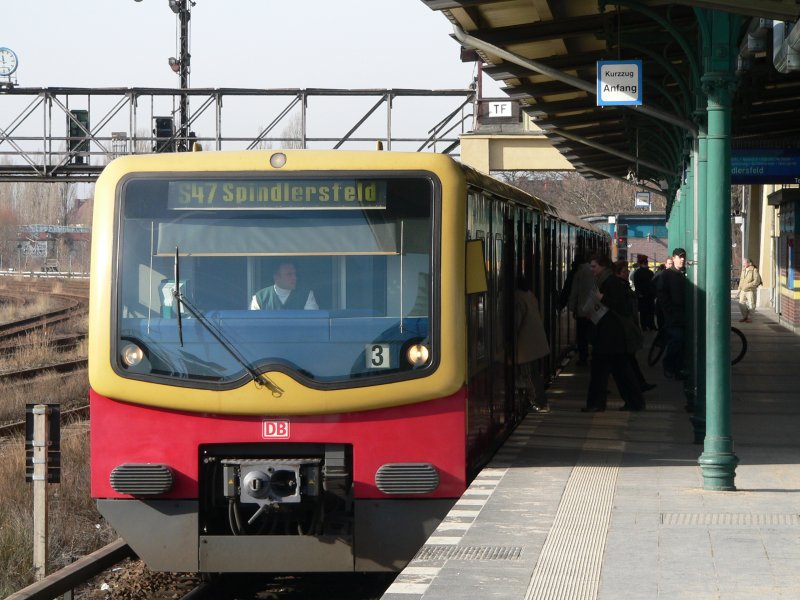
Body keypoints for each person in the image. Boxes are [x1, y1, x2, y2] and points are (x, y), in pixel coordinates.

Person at [582, 253, 644, 412]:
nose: (592, 269)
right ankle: (634, 402)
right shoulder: (605, 281)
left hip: (610, 335)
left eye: (594, 266)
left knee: (603, 372)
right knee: (620, 371)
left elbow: (622, 307)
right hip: (610, 336)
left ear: (603, 266)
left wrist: (602, 298)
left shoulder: (611, 283)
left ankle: (597, 404)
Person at [613, 260, 656, 394]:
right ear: (618, 273)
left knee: (628, 360)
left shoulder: (623, 285)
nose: (628, 273)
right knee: (625, 361)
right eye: (625, 271)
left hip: (626, 329)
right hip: (624, 330)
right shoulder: (620, 287)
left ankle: (639, 385)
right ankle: (636, 390)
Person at [514, 280, 551, 412]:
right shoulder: (528, 294)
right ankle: (535, 401)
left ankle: (540, 403)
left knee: (529, 375)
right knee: (532, 373)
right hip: (533, 340)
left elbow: (515, 323)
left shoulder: (517, 298)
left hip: (525, 343)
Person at [655, 248, 686, 379]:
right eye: (679, 257)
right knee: (677, 340)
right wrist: (668, 310)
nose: (682, 259)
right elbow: (660, 293)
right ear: (673, 259)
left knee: (680, 342)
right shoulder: (667, 275)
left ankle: (676, 369)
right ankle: (669, 366)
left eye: (683, 257)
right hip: (673, 315)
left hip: (681, 314)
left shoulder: (683, 274)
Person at [250, 261, 319, 310]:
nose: (294, 277)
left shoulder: (306, 295)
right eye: (289, 274)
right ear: (276, 277)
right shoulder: (260, 298)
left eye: (294, 274)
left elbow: (312, 324)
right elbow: (253, 325)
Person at [567, 255, 595, 366]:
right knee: (594, 335)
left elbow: (574, 292)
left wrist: (572, 308)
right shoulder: (595, 271)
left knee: (582, 337)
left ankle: (583, 358)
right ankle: (595, 357)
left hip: (582, 311)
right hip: (595, 311)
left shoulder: (579, 273)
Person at [632, 256, 656, 331]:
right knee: (649, 311)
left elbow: (637, 285)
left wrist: (639, 294)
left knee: (644, 312)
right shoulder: (650, 272)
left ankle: (644, 326)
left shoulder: (637, 273)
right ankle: (651, 325)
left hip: (643, 295)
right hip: (649, 295)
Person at [737, 258, 761, 323]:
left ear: (748, 263)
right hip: (743, 290)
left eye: (744, 263)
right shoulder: (743, 270)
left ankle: (750, 318)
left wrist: (748, 285)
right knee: (741, 303)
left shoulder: (754, 270)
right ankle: (745, 316)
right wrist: (739, 289)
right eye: (743, 263)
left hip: (750, 290)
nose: (743, 264)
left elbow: (757, 281)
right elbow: (741, 280)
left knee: (751, 304)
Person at [652, 257, 673, 330]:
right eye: (670, 263)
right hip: (661, 302)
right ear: (666, 264)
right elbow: (653, 286)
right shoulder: (660, 275)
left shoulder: (675, 275)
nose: (671, 265)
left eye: (672, 264)